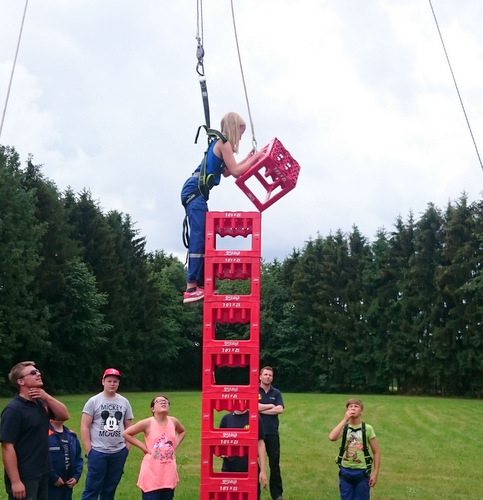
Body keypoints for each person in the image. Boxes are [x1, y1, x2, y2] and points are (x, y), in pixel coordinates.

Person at [180, 111, 263, 304]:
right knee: (199, 236)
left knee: (206, 236)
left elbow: (226, 172)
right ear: (235, 129)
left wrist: (248, 158)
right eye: (241, 132)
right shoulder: (224, 142)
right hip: (195, 191)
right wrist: (256, 158)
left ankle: (200, 285)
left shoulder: (219, 143)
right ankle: (191, 286)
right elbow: (235, 172)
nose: (241, 136)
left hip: (196, 191)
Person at [0, 361, 70, 500]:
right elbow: (7, 447)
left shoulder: (40, 403)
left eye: (37, 371)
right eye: (33, 372)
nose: (38, 374)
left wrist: (46, 397)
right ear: (21, 381)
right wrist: (15, 482)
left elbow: (64, 415)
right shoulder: (13, 410)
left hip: (43, 471)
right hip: (25, 475)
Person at [80, 368, 134, 500]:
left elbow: (129, 427)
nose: (112, 384)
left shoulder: (124, 402)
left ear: (118, 383)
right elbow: (85, 426)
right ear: (103, 382)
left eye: (115, 381)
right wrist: (89, 450)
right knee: (92, 487)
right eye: (109, 381)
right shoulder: (94, 401)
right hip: (98, 451)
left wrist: (126, 448)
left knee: (110, 488)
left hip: (118, 452)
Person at [122, 395, 186, 500]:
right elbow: (126, 434)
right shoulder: (148, 423)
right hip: (152, 474)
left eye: (166, 401)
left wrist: (175, 445)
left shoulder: (173, 421)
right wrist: (143, 447)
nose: (163, 402)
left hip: (168, 474)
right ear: (152, 409)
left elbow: (182, 431)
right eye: (159, 401)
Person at [329, 398, 381, 500]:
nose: (353, 408)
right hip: (345, 471)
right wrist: (344, 420)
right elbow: (332, 437)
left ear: (361, 411)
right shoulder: (344, 428)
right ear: (346, 411)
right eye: (350, 407)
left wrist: (375, 473)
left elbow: (376, 452)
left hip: (362, 472)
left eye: (356, 406)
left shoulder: (368, 429)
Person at [219, 407, 268, 499]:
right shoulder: (226, 419)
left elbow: (260, 444)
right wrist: (222, 452)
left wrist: (263, 471)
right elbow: (220, 443)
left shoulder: (255, 418)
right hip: (229, 468)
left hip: (250, 469)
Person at [258, 366, 284, 500]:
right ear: (260, 376)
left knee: (274, 464)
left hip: (272, 433)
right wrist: (270, 406)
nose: (268, 377)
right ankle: (254, 493)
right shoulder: (254, 390)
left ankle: (277, 494)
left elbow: (280, 410)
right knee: (252, 463)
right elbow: (252, 407)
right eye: (266, 374)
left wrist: (261, 409)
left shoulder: (276, 393)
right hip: (256, 433)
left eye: (270, 375)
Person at [48, 418, 84, 500]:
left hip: (67, 484)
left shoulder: (71, 435)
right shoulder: (45, 435)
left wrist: (76, 476)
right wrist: (53, 477)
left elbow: (78, 458)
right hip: (50, 484)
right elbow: (43, 460)